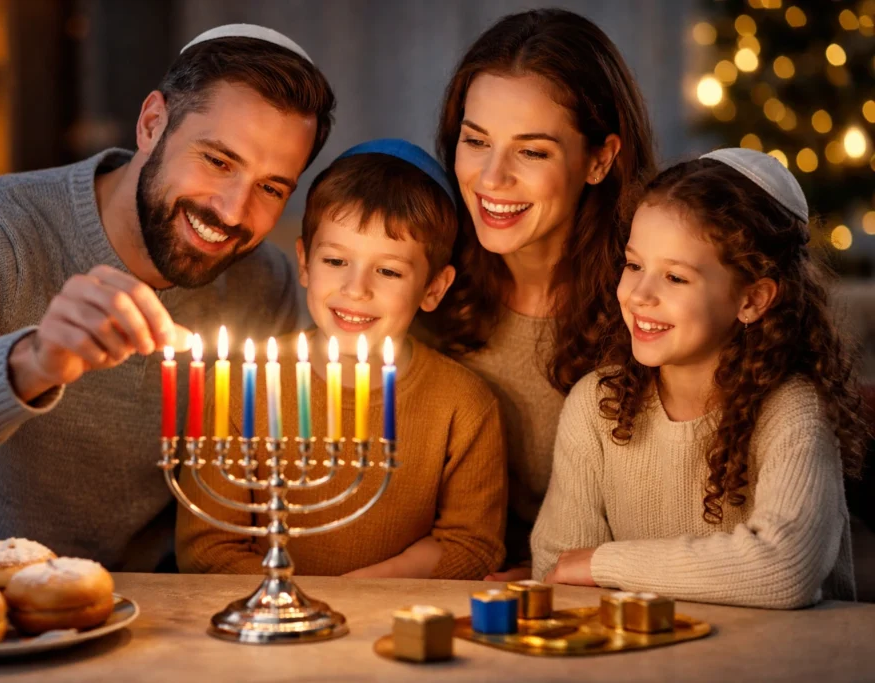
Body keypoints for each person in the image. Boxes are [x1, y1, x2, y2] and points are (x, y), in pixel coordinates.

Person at [0, 24, 336, 570]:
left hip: (133, 623)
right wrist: (32, 363)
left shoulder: (262, 281)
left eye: (271, 188)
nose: (231, 210)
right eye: (218, 161)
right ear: (153, 124)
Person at [530, 149, 866, 607]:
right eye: (633, 265)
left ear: (752, 299)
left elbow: (785, 569)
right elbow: (557, 569)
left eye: (675, 277)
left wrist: (602, 564)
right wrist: (582, 568)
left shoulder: (793, 410)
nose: (640, 294)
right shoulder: (596, 406)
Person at [176, 139, 507, 579]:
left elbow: (473, 546)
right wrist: (298, 608)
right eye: (335, 260)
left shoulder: (462, 403)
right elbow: (207, 546)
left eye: (388, 271)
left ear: (434, 288)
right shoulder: (241, 386)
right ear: (305, 263)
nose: (356, 289)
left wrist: (351, 596)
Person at [428, 8, 656, 578]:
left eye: (532, 151)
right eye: (475, 140)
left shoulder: (653, 301)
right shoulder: (426, 285)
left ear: (600, 159)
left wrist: (545, 575)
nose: (492, 178)